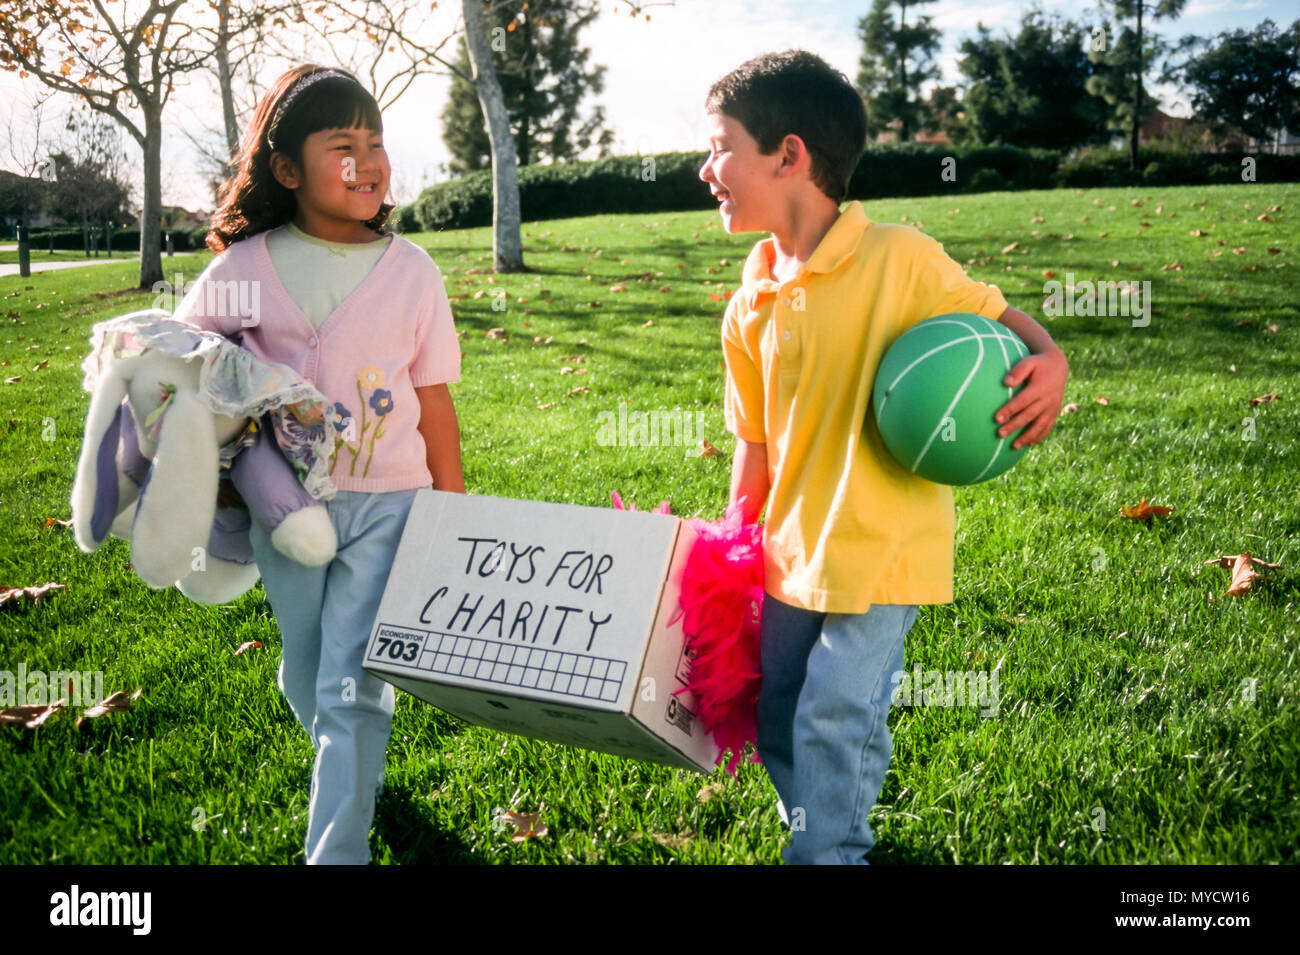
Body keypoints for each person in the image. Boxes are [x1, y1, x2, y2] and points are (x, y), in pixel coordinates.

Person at [699, 50, 1068, 864]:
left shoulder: (900, 257)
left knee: (835, 707)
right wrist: (733, 546)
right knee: (780, 709)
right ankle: (816, 829)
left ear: (788, 155)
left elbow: (1001, 317)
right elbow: (752, 442)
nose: (705, 167)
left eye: (721, 146)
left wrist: (1054, 362)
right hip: (790, 551)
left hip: (882, 544)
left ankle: (830, 851)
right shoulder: (747, 301)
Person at [174, 64, 466, 864]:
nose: (368, 161)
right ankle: (353, 759)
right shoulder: (245, 269)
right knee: (307, 674)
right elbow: (183, 359)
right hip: (286, 512)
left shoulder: (414, 272)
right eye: (344, 145)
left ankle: (338, 846)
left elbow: (434, 399)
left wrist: (454, 504)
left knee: (351, 682)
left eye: (376, 143)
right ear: (287, 170)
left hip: (391, 505)